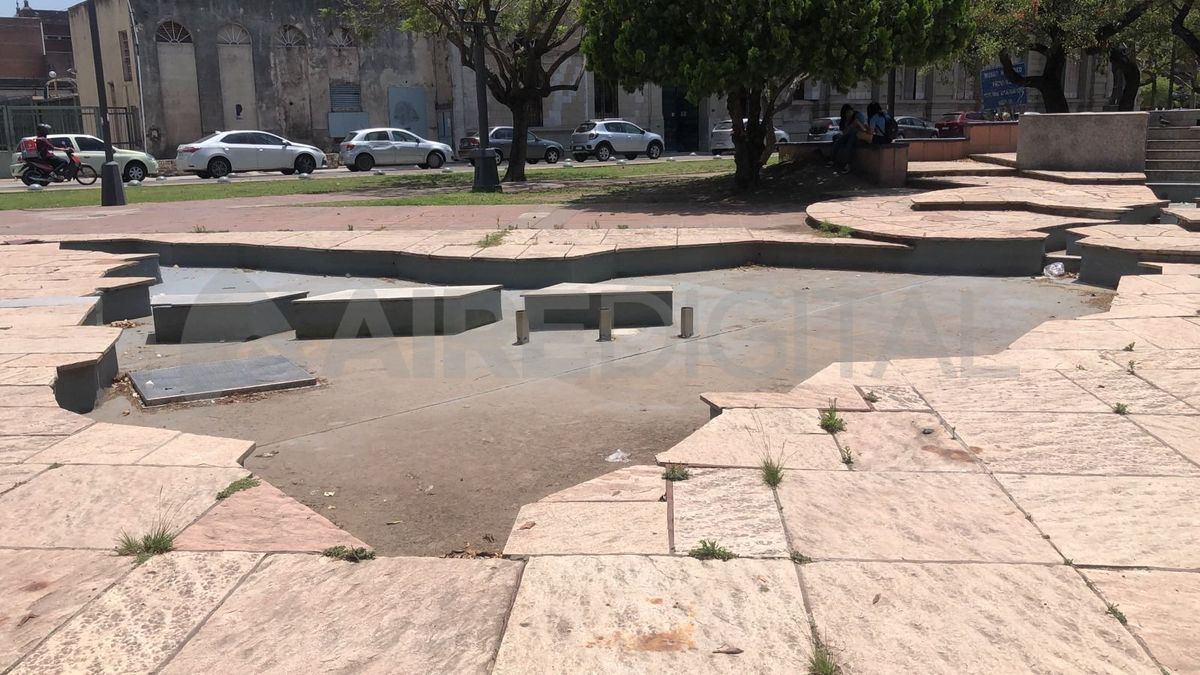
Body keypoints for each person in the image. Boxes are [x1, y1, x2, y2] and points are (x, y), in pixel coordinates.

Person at [829, 103, 867, 174]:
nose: (848, 115)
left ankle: (848, 164)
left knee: (849, 143)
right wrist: (848, 124)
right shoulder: (845, 119)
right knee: (838, 141)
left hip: (858, 135)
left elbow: (863, 129)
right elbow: (844, 132)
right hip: (848, 134)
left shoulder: (858, 116)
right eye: (846, 113)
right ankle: (832, 160)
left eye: (849, 112)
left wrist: (854, 124)